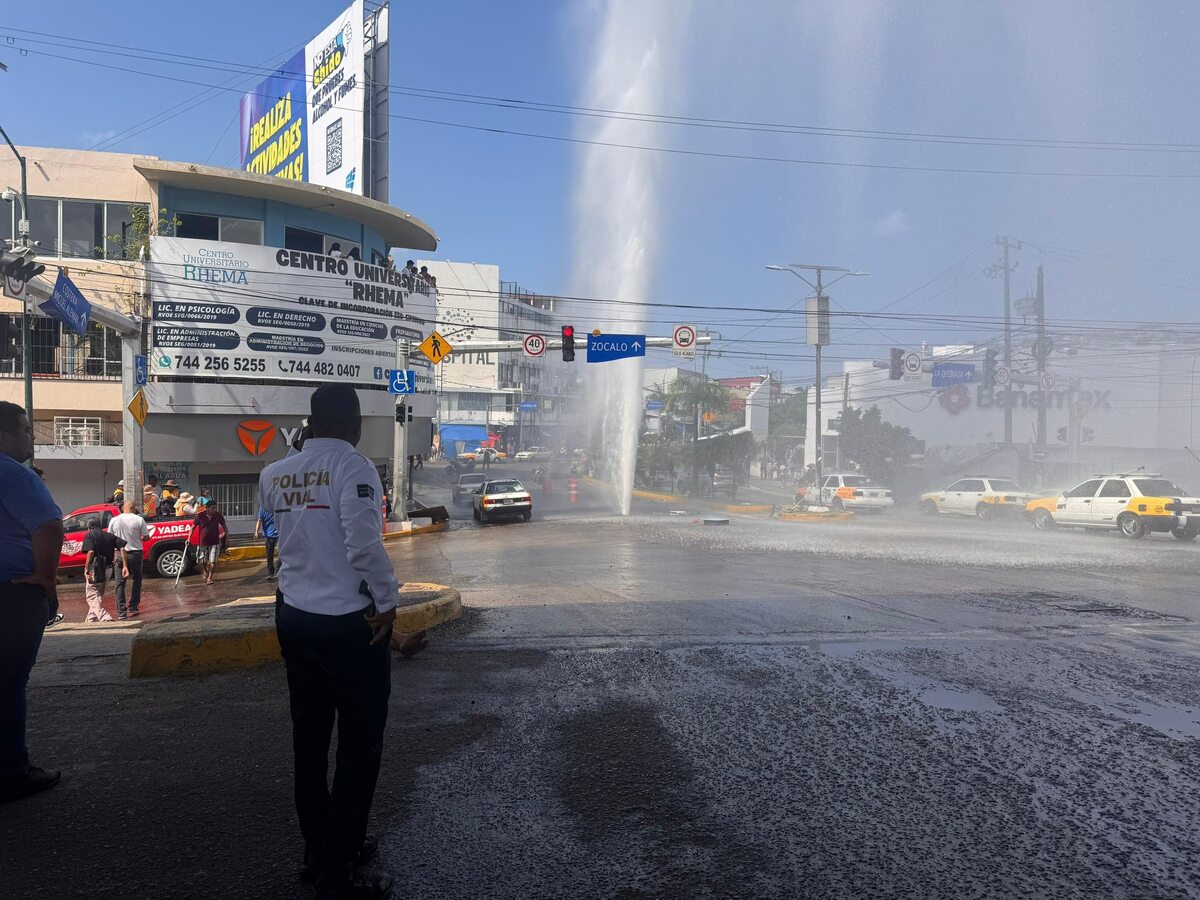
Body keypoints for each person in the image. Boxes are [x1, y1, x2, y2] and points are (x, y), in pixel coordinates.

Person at [260, 384, 406, 898]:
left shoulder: (274, 473)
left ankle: (318, 846)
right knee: (359, 747)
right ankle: (338, 865)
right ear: (356, 424)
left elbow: (280, 540)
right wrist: (387, 602)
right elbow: (362, 541)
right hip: (349, 623)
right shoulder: (355, 468)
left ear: (311, 421)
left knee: (310, 738)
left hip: (294, 617)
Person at [0, 401, 64, 803]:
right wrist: (45, 578)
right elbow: (48, 525)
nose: (30, 437)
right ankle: (12, 771)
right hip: (13, 594)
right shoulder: (14, 474)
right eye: (25, 429)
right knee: (8, 684)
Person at [108, 501, 149, 619]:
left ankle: (121, 611)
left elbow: (110, 537)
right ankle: (133, 606)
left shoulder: (114, 520)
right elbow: (146, 537)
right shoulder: (139, 520)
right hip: (136, 553)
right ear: (134, 508)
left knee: (120, 583)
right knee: (137, 580)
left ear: (123, 508)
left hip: (119, 554)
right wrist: (140, 538)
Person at [81, 518, 118, 623]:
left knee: (91, 596)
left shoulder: (90, 535)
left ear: (89, 527)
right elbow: (122, 545)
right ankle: (91, 618)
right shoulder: (109, 535)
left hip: (96, 570)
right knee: (98, 595)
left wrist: (86, 568)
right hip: (108, 569)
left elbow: (91, 552)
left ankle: (104, 616)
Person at [193, 501, 228, 586]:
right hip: (203, 542)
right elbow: (193, 527)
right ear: (207, 508)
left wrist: (227, 538)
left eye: (215, 508)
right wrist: (188, 538)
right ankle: (205, 570)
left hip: (215, 541)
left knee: (213, 560)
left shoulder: (218, 516)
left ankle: (210, 578)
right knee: (203, 560)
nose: (214, 510)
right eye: (212, 508)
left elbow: (224, 526)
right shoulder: (200, 516)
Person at [255, 505, 279, 582]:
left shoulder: (278, 505)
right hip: (269, 535)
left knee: (281, 554)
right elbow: (260, 520)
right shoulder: (263, 508)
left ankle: (279, 572)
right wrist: (256, 532)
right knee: (269, 555)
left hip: (279, 534)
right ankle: (270, 572)